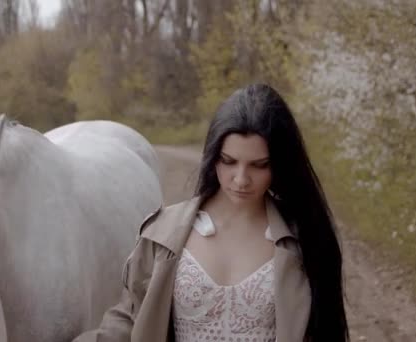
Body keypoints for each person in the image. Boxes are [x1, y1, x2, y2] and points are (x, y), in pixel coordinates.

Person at [73, 83, 349, 342]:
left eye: (259, 165)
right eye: (228, 161)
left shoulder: (306, 241)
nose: (241, 179)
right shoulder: (162, 235)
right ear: (213, 155)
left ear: (279, 164)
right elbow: (130, 319)